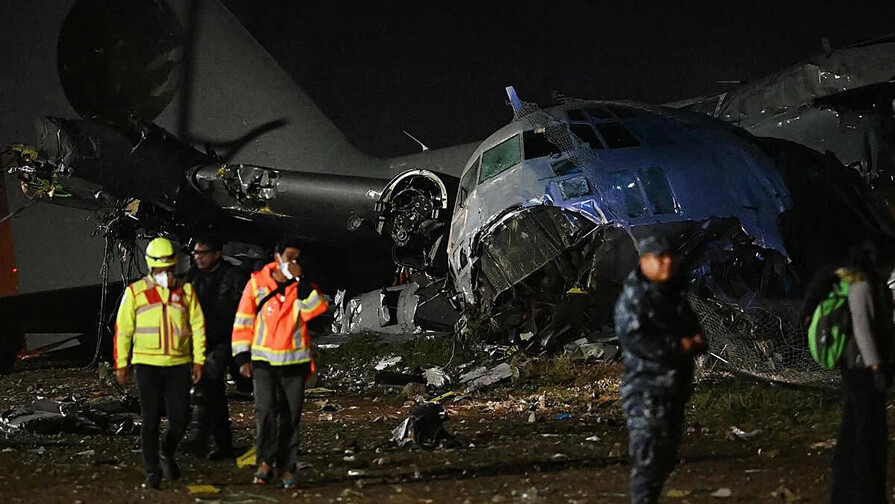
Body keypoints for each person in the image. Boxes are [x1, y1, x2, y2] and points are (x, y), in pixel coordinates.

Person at [613, 236, 707, 504]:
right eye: (659, 257)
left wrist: (694, 342)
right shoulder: (635, 299)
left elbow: (692, 328)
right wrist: (680, 346)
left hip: (673, 387)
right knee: (648, 458)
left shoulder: (673, 294)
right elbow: (638, 341)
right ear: (644, 261)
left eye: (669, 257)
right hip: (646, 389)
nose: (667, 263)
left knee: (664, 458)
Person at [232, 237, 328, 489]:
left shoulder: (301, 288)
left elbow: (316, 309)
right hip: (263, 361)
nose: (293, 262)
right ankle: (264, 462)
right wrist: (242, 357)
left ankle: (287, 467)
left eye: (297, 258)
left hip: (294, 363)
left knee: (290, 418)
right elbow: (243, 321)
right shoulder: (257, 283)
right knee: (265, 413)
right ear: (277, 257)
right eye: (289, 257)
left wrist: (302, 281)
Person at [114, 237, 206, 489]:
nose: (165, 272)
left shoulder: (185, 292)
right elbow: (123, 330)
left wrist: (198, 361)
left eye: (169, 267)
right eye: (160, 267)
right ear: (151, 266)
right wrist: (122, 364)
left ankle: (167, 450)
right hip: (147, 365)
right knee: (150, 420)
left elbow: (198, 327)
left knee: (179, 419)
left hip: (178, 364)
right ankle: (152, 472)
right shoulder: (135, 293)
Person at [822, 244, 893, 504]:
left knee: (852, 429)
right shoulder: (862, 285)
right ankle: (866, 493)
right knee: (868, 432)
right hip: (861, 367)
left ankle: (845, 491)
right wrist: (877, 366)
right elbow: (863, 329)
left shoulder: (862, 283)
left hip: (858, 366)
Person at [183, 234, 247, 460]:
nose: (198, 258)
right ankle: (223, 444)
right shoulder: (193, 278)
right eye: (195, 254)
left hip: (226, 341)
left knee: (207, 381)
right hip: (201, 341)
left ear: (216, 253)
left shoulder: (233, 276)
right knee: (214, 393)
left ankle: (198, 437)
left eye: (203, 253)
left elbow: (242, 311)